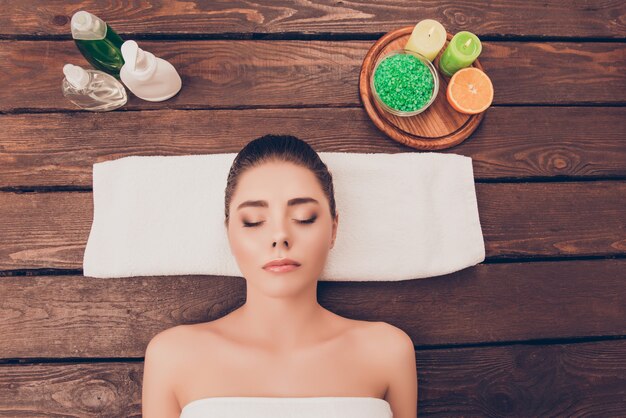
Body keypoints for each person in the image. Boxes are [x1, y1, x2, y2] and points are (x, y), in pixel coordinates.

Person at [141, 134, 418, 417]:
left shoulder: (387, 351)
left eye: (304, 217)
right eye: (254, 222)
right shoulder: (173, 356)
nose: (280, 236)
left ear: (333, 229)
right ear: (229, 233)